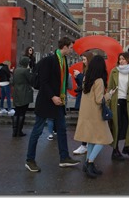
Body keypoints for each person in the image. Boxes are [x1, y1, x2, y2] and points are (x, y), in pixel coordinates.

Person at [25, 37, 80, 172]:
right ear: (65, 47)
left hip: (59, 101)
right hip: (46, 101)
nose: (72, 50)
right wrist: (52, 96)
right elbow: (44, 81)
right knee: (37, 131)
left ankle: (64, 157)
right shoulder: (49, 60)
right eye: (71, 47)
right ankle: (29, 160)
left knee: (62, 130)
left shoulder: (64, 60)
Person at [74, 55, 115, 178]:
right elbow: (99, 100)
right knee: (103, 139)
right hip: (96, 115)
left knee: (92, 140)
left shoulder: (87, 78)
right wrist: (109, 95)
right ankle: (90, 162)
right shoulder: (99, 81)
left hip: (86, 114)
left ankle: (88, 164)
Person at [73, 51, 95, 155]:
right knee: (84, 123)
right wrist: (77, 77)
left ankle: (85, 145)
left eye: (85, 59)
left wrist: (80, 76)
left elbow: (88, 84)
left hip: (87, 100)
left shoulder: (91, 71)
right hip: (84, 98)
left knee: (85, 123)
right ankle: (86, 144)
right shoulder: (86, 69)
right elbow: (82, 85)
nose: (83, 61)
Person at [11, 56, 33, 137]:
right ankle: (19, 131)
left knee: (17, 111)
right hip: (24, 92)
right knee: (22, 112)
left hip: (16, 92)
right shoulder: (26, 71)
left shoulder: (16, 70)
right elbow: (31, 80)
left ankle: (14, 130)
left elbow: (12, 81)